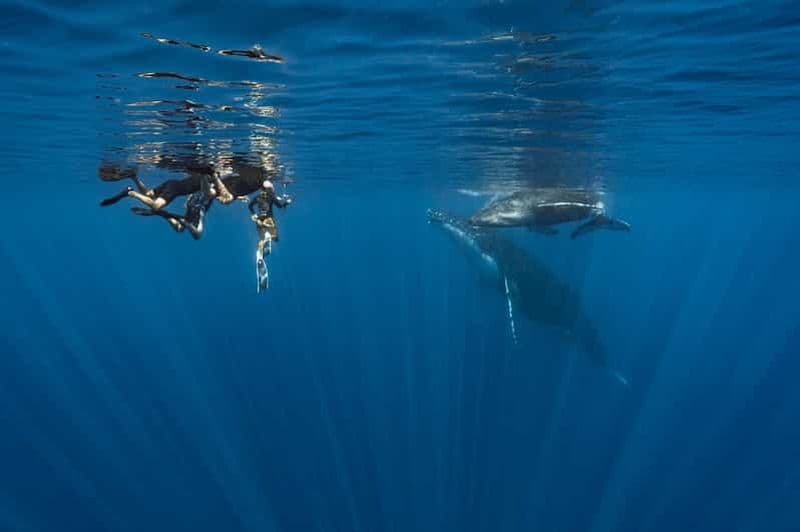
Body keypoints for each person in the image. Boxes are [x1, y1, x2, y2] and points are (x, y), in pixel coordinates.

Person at [248, 180, 291, 291]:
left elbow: (250, 206)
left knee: (261, 240)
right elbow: (280, 206)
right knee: (275, 237)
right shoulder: (271, 196)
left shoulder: (258, 196)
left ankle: (259, 255)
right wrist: (287, 202)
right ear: (269, 189)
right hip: (269, 220)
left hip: (259, 221)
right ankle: (269, 236)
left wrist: (254, 216)